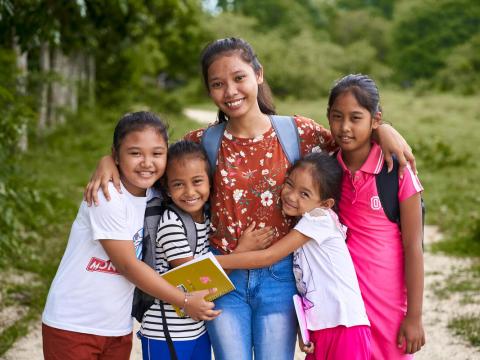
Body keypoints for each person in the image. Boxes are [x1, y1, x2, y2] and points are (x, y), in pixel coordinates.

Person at [84, 38, 416, 359]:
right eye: (217, 84)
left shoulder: (299, 132)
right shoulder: (202, 141)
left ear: (258, 74)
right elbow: (151, 165)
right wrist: (109, 160)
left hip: (280, 276)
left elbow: (350, 141)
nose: (230, 91)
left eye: (239, 78)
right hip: (222, 277)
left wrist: (382, 130)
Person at [42, 112, 219, 360]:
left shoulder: (153, 193)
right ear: (117, 154)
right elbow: (127, 264)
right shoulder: (107, 195)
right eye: (135, 153)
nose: (147, 162)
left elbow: (185, 175)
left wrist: (106, 161)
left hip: (117, 326)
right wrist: (185, 300)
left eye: (157, 154)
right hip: (74, 322)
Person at [216, 152, 372, 360]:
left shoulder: (319, 218)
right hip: (324, 327)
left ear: (326, 204)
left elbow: (267, 257)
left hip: (344, 326)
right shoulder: (304, 225)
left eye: (304, 194)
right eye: (289, 184)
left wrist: (211, 262)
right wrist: (304, 329)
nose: (291, 196)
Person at [136, 139, 272, 360]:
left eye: (197, 181)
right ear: (167, 190)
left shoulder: (207, 217)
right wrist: (242, 252)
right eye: (178, 184)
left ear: (210, 182)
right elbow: (196, 279)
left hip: (197, 330)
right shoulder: (172, 223)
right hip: (166, 331)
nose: (189, 191)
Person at [327, 74, 425, 358]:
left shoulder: (397, 173)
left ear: (375, 119)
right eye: (337, 116)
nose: (345, 127)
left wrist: (415, 316)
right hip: (343, 302)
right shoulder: (328, 170)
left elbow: (413, 247)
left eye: (356, 118)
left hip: (388, 303)